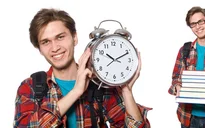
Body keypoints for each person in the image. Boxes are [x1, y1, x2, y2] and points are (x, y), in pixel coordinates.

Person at [13, 8, 151, 127]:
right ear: (40, 49)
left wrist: (126, 91)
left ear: (75, 38)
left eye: (60, 37)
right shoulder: (31, 87)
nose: (55, 47)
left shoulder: (100, 84)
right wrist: (76, 92)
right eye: (46, 42)